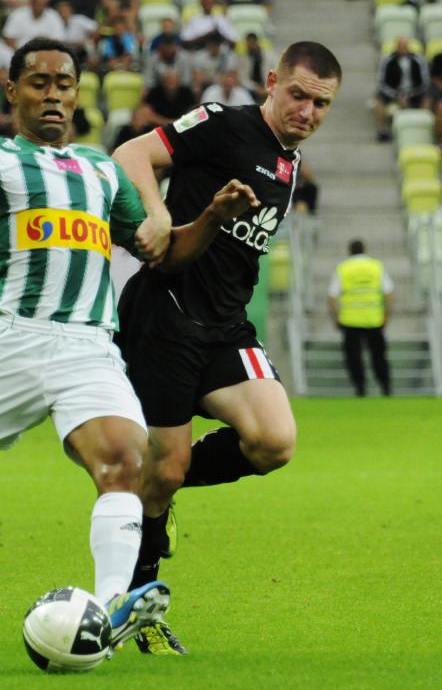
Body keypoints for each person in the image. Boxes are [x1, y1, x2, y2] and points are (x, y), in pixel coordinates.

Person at [0, 37, 259, 653]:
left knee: (124, 463)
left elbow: (163, 253)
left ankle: (110, 610)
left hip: (88, 346)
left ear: (78, 94)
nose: (53, 95)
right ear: (12, 91)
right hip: (14, 344)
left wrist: (210, 216)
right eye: (39, 83)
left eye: (65, 84)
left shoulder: (103, 172)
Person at [111, 41, 341, 654]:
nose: (307, 112)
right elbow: (131, 153)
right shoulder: (222, 123)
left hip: (226, 325)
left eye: (320, 104)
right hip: (166, 314)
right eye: (298, 95)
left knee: (274, 442)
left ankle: (160, 486)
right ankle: (141, 609)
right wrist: (157, 213)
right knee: (164, 470)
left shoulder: (289, 163)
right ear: (272, 82)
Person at [327, 240, 394, 398]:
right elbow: (389, 293)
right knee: (379, 355)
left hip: (350, 320)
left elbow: (332, 297)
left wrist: (335, 317)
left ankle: (360, 388)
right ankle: (385, 386)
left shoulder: (343, 268)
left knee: (353, 358)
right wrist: (386, 315)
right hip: (374, 319)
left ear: (349, 251)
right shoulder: (376, 266)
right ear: (365, 250)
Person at [374, 36, 429, 142]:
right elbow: (382, 82)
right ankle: (382, 131)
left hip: (414, 93)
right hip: (394, 93)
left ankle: (423, 129)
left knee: (428, 98)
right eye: (401, 46)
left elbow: (425, 82)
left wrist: (409, 95)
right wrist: (397, 95)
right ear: (396, 46)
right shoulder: (387, 60)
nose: (403, 49)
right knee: (378, 100)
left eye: (405, 46)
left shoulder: (418, 60)